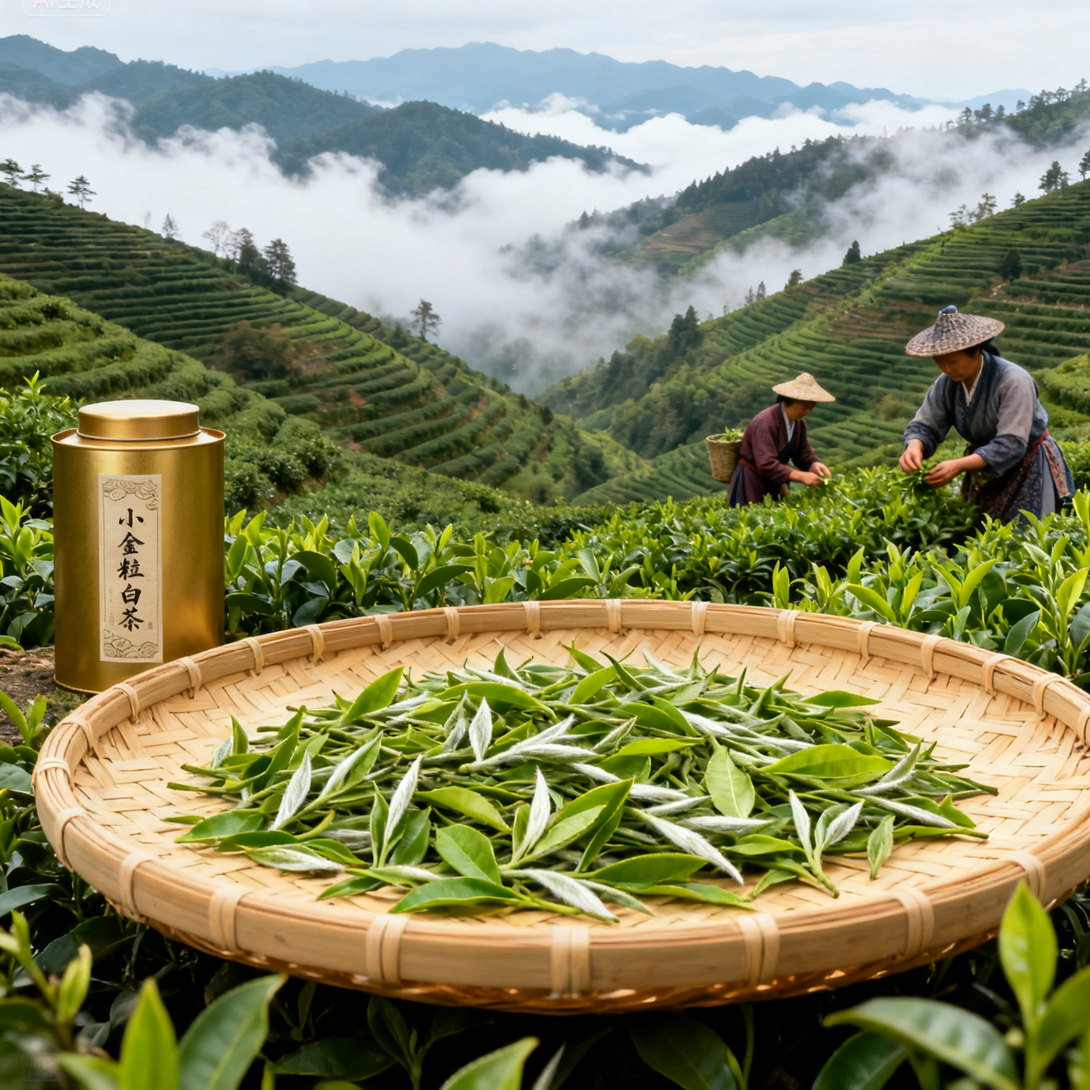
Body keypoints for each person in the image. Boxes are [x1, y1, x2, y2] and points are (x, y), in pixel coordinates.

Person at [899, 305, 1073, 522]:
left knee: (1028, 534)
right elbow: (925, 423)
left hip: (1028, 466)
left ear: (976, 351)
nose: (946, 368)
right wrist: (915, 445)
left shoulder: (1014, 380)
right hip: (983, 467)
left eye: (952, 361)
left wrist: (958, 465)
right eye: (939, 361)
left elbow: (1011, 442)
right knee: (984, 533)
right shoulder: (947, 384)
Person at [728, 372, 835, 506]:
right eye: (805, 405)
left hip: (774, 481)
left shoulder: (798, 423)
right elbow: (765, 463)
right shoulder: (765, 422)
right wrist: (801, 476)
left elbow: (802, 452)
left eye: (812, 406)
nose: (808, 410)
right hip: (753, 481)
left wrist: (813, 464)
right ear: (790, 400)